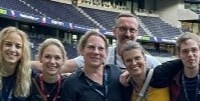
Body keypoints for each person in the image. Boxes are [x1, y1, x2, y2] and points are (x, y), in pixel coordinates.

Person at [31, 13, 160, 73]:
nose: (127, 34)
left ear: (137, 34)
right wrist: (21, 63)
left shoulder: (148, 62)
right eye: (123, 29)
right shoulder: (100, 55)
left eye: (132, 30)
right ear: (114, 31)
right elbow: (60, 66)